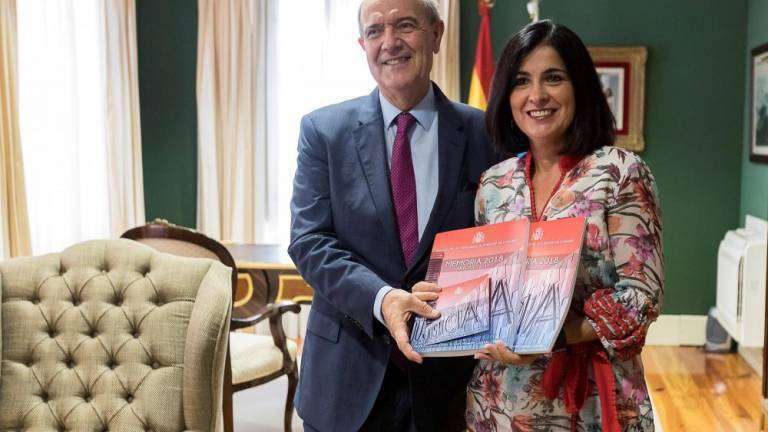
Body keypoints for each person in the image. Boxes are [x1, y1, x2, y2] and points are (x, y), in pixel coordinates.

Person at [288, 0, 497, 430]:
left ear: (437, 34)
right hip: (347, 376)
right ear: (362, 43)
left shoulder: (484, 133)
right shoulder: (323, 132)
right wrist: (382, 300)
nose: (390, 43)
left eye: (406, 26)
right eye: (376, 30)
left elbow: (498, 240)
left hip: (449, 381)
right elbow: (309, 241)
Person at [465, 20, 663, 431]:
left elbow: (640, 299)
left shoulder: (621, 172)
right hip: (500, 401)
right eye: (521, 81)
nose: (536, 96)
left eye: (553, 78)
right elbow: (485, 287)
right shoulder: (493, 184)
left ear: (579, 87)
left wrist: (554, 337)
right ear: (506, 94)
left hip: (590, 400)